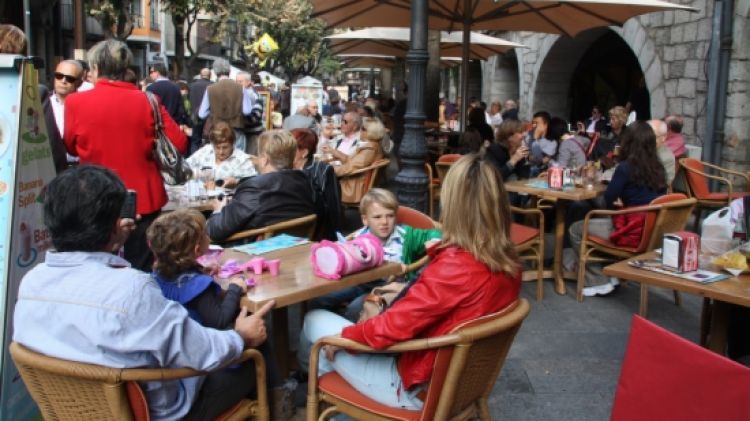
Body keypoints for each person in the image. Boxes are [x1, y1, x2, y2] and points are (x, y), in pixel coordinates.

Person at [13, 165, 274, 421]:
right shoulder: (132, 289)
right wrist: (241, 336)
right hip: (160, 412)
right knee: (254, 356)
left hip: (69, 411)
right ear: (115, 224)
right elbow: (202, 351)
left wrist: (115, 240)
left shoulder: (31, 284)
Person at [299, 154, 521, 409]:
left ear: (453, 206)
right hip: (459, 379)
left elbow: (392, 328)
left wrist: (346, 337)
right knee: (335, 342)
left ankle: (327, 398)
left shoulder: (456, 266)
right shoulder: (509, 262)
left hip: (417, 386)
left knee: (314, 321)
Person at [146, 209, 296, 419]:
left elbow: (183, 284)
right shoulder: (199, 286)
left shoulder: (157, 277)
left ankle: (270, 395)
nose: (210, 238)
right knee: (258, 335)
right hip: (205, 361)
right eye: (206, 235)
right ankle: (278, 399)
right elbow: (219, 319)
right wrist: (235, 288)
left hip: (179, 355)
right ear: (198, 248)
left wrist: (199, 271)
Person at [63, 39, 187, 272]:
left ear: (96, 68)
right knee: (140, 268)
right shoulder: (148, 101)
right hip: (144, 199)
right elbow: (178, 142)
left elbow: (70, 146)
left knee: (96, 267)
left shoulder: (76, 102)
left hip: (95, 198)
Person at [305, 188, 442, 323]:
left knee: (355, 308)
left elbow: (438, 233)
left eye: (390, 215)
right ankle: (329, 328)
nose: (384, 222)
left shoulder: (406, 235)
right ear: (365, 220)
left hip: (388, 286)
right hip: (360, 283)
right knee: (319, 299)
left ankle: (347, 335)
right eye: (377, 217)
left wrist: (433, 240)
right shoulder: (359, 238)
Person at [569, 121, 667, 297]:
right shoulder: (659, 168)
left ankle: (598, 278)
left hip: (630, 229)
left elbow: (607, 201)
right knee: (595, 217)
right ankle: (611, 270)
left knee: (576, 228)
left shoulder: (625, 168)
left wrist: (592, 188)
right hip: (652, 229)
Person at [206, 130, 316, 242]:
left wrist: (218, 210)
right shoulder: (307, 181)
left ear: (264, 160)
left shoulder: (254, 189)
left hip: (256, 253)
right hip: (295, 250)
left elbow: (214, 231)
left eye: (258, 157)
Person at [290, 128, 341, 240]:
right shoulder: (284, 169)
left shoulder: (322, 170)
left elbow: (334, 208)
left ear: (304, 152)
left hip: (317, 232)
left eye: (291, 148)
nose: (284, 151)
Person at [198, 58, 255, 153]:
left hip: (217, 131)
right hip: (236, 130)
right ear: (229, 71)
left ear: (215, 72)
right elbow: (247, 111)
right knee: (237, 161)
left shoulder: (210, 89)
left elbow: (202, 114)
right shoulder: (241, 88)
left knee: (219, 159)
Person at [322, 119, 384, 204]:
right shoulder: (374, 146)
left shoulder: (369, 149)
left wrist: (326, 169)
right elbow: (352, 161)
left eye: (362, 128)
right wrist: (333, 151)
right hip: (355, 183)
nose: (360, 130)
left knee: (317, 184)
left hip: (352, 188)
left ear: (369, 132)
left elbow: (349, 168)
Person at [187, 121, 257, 188]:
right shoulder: (207, 150)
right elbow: (186, 166)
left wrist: (236, 183)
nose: (221, 152)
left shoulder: (241, 160)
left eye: (225, 147)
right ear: (212, 144)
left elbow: (253, 183)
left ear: (232, 144)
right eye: (217, 147)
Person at [43, 59, 83, 172]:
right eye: (59, 76)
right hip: (49, 167)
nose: (63, 81)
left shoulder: (85, 106)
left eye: (69, 78)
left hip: (76, 168)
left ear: (79, 82)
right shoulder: (42, 103)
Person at [146, 62, 190, 129]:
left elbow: (148, 108)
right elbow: (180, 109)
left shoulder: (151, 88)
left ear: (157, 72)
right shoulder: (176, 87)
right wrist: (180, 123)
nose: (150, 74)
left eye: (151, 72)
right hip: (173, 124)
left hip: (158, 125)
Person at [189, 68, 213, 153]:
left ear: (200, 75)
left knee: (195, 140)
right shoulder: (213, 86)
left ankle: (193, 160)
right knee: (210, 142)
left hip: (195, 116)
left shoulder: (192, 86)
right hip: (209, 118)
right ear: (210, 75)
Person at [648, 119, 676, 186]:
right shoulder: (640, 148)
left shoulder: (666, 158)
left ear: (663, 138)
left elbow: (665, 183)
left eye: (652, 136)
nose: (647, 138)